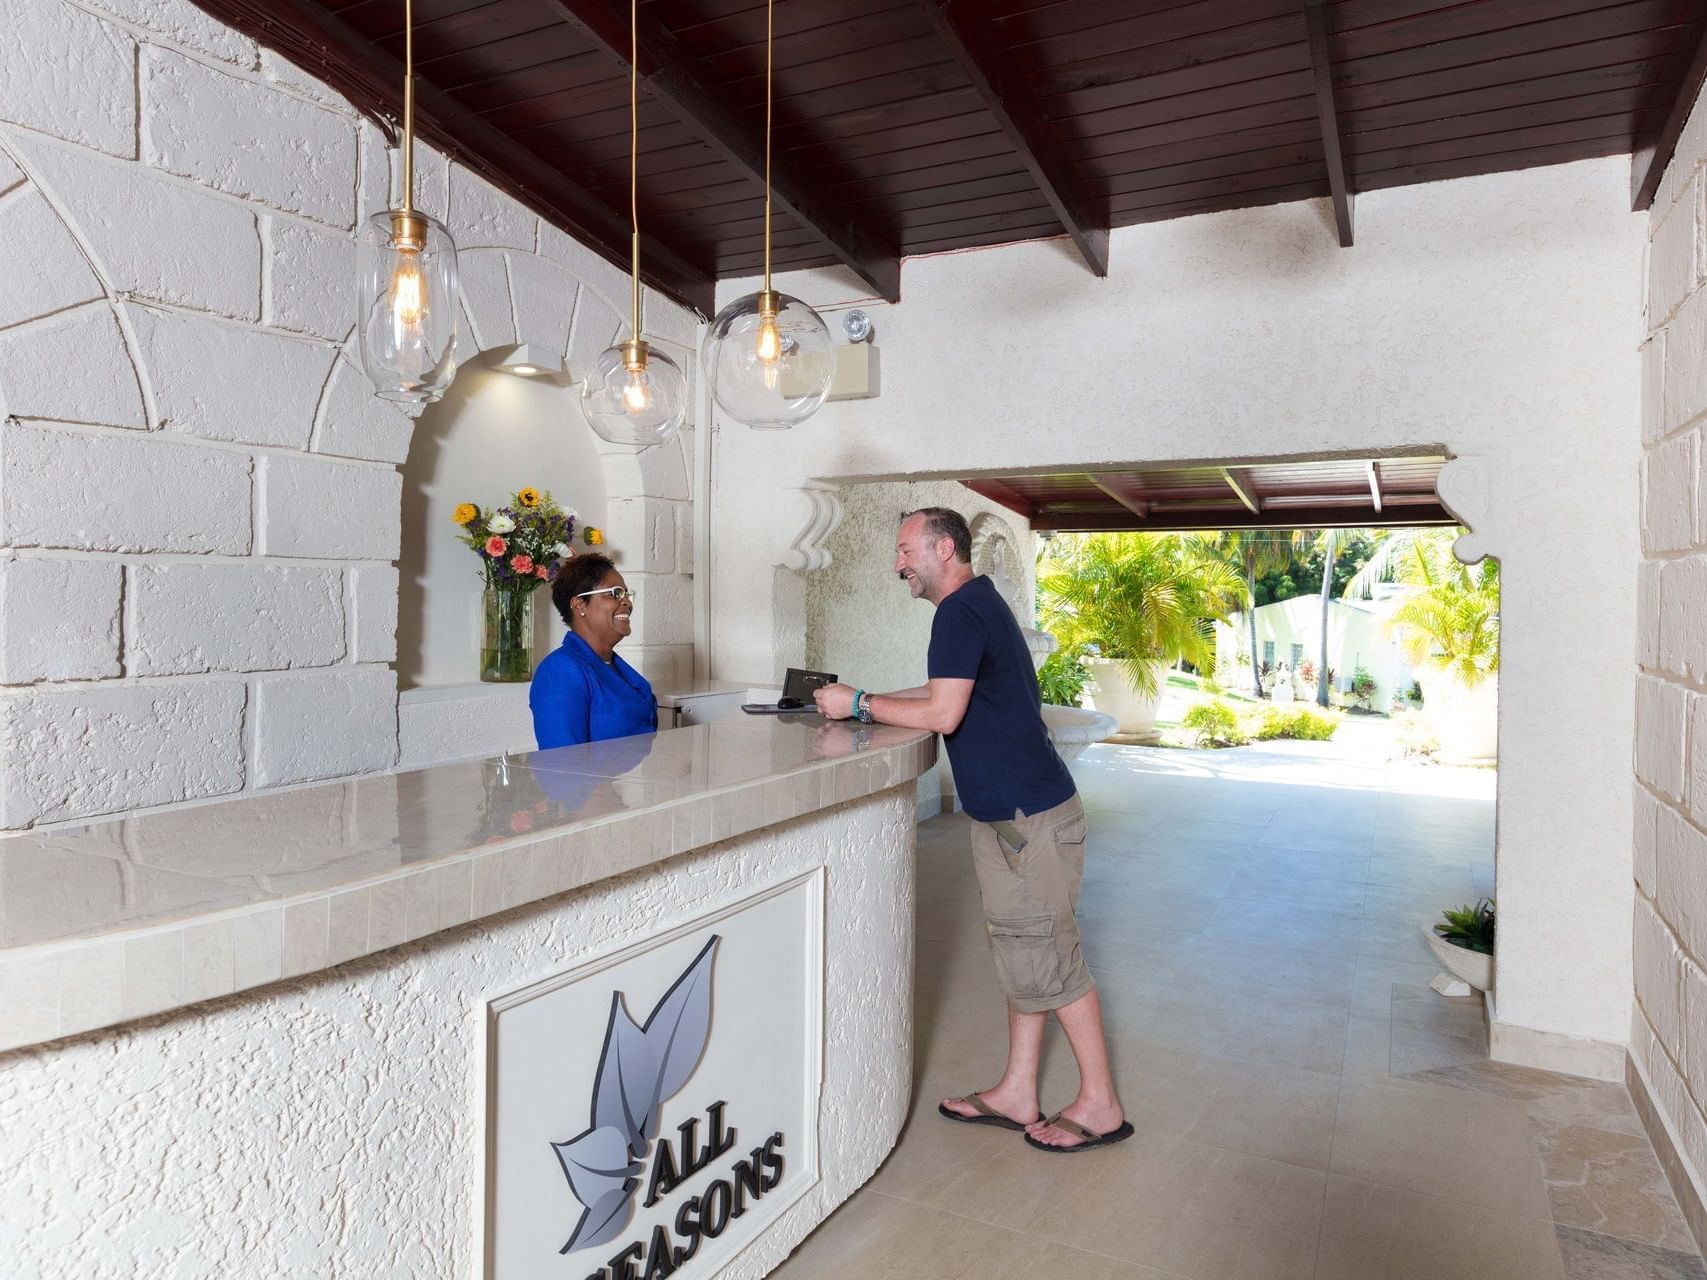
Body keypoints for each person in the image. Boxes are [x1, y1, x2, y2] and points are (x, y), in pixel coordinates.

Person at [814, 507, 1131, 1154]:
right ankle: (1018, 1090)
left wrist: (861, 706)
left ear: (942, 548)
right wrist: (863, 703)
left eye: (904, 548)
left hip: (1028, 817)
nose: (897, 562)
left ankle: (1100, 1105)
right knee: (1022, 950)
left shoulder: (959, 611)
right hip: (1010, 816)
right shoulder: (974, 605)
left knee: (1050, 954)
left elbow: (942, 711)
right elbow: (944, 691)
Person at [530, 554, 658, 749]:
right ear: (579, 605)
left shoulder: (614, 666)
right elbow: (562, 766)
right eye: (615, 593)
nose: (627, 603)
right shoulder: (560, 670)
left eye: (626, 594)